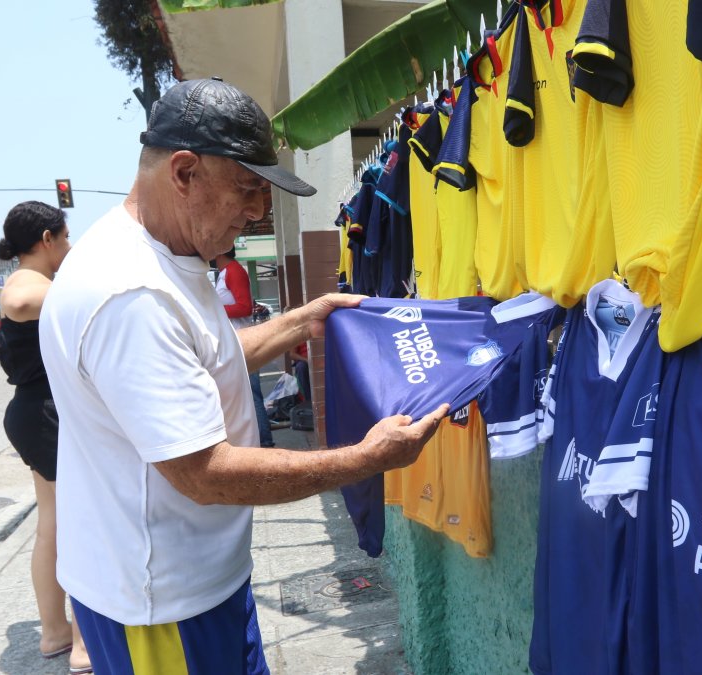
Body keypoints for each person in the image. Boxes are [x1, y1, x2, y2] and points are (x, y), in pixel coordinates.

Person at [38, 77, 448, 675]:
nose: (257, 213)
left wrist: (301, 322)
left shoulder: (168, 251)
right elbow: (204, 473)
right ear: (184, 173)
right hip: (160, 607)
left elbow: (202, 356)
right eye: (248, 190)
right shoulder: (129, 294)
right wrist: (366, 458)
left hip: (201, 583)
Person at [0, 201, 92, 675]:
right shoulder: (30, 283)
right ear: (47, 239)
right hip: (45, 415)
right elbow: (16, 303)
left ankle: (55, 632)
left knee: (53, 524)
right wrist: (79, 295)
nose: (69, 246)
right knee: (76, 523)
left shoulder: (39, 282)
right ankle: (80, 641)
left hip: (37, 413)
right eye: (66, 237)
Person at [214, 246, 274, 447]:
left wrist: (213, 309)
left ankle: (265, 442)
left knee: (252, 394)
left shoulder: (233, 270)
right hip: (235, 341)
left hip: (242, 341)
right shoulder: (225, 272)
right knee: (246, 394)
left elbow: (244, 307)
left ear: (219, 251)